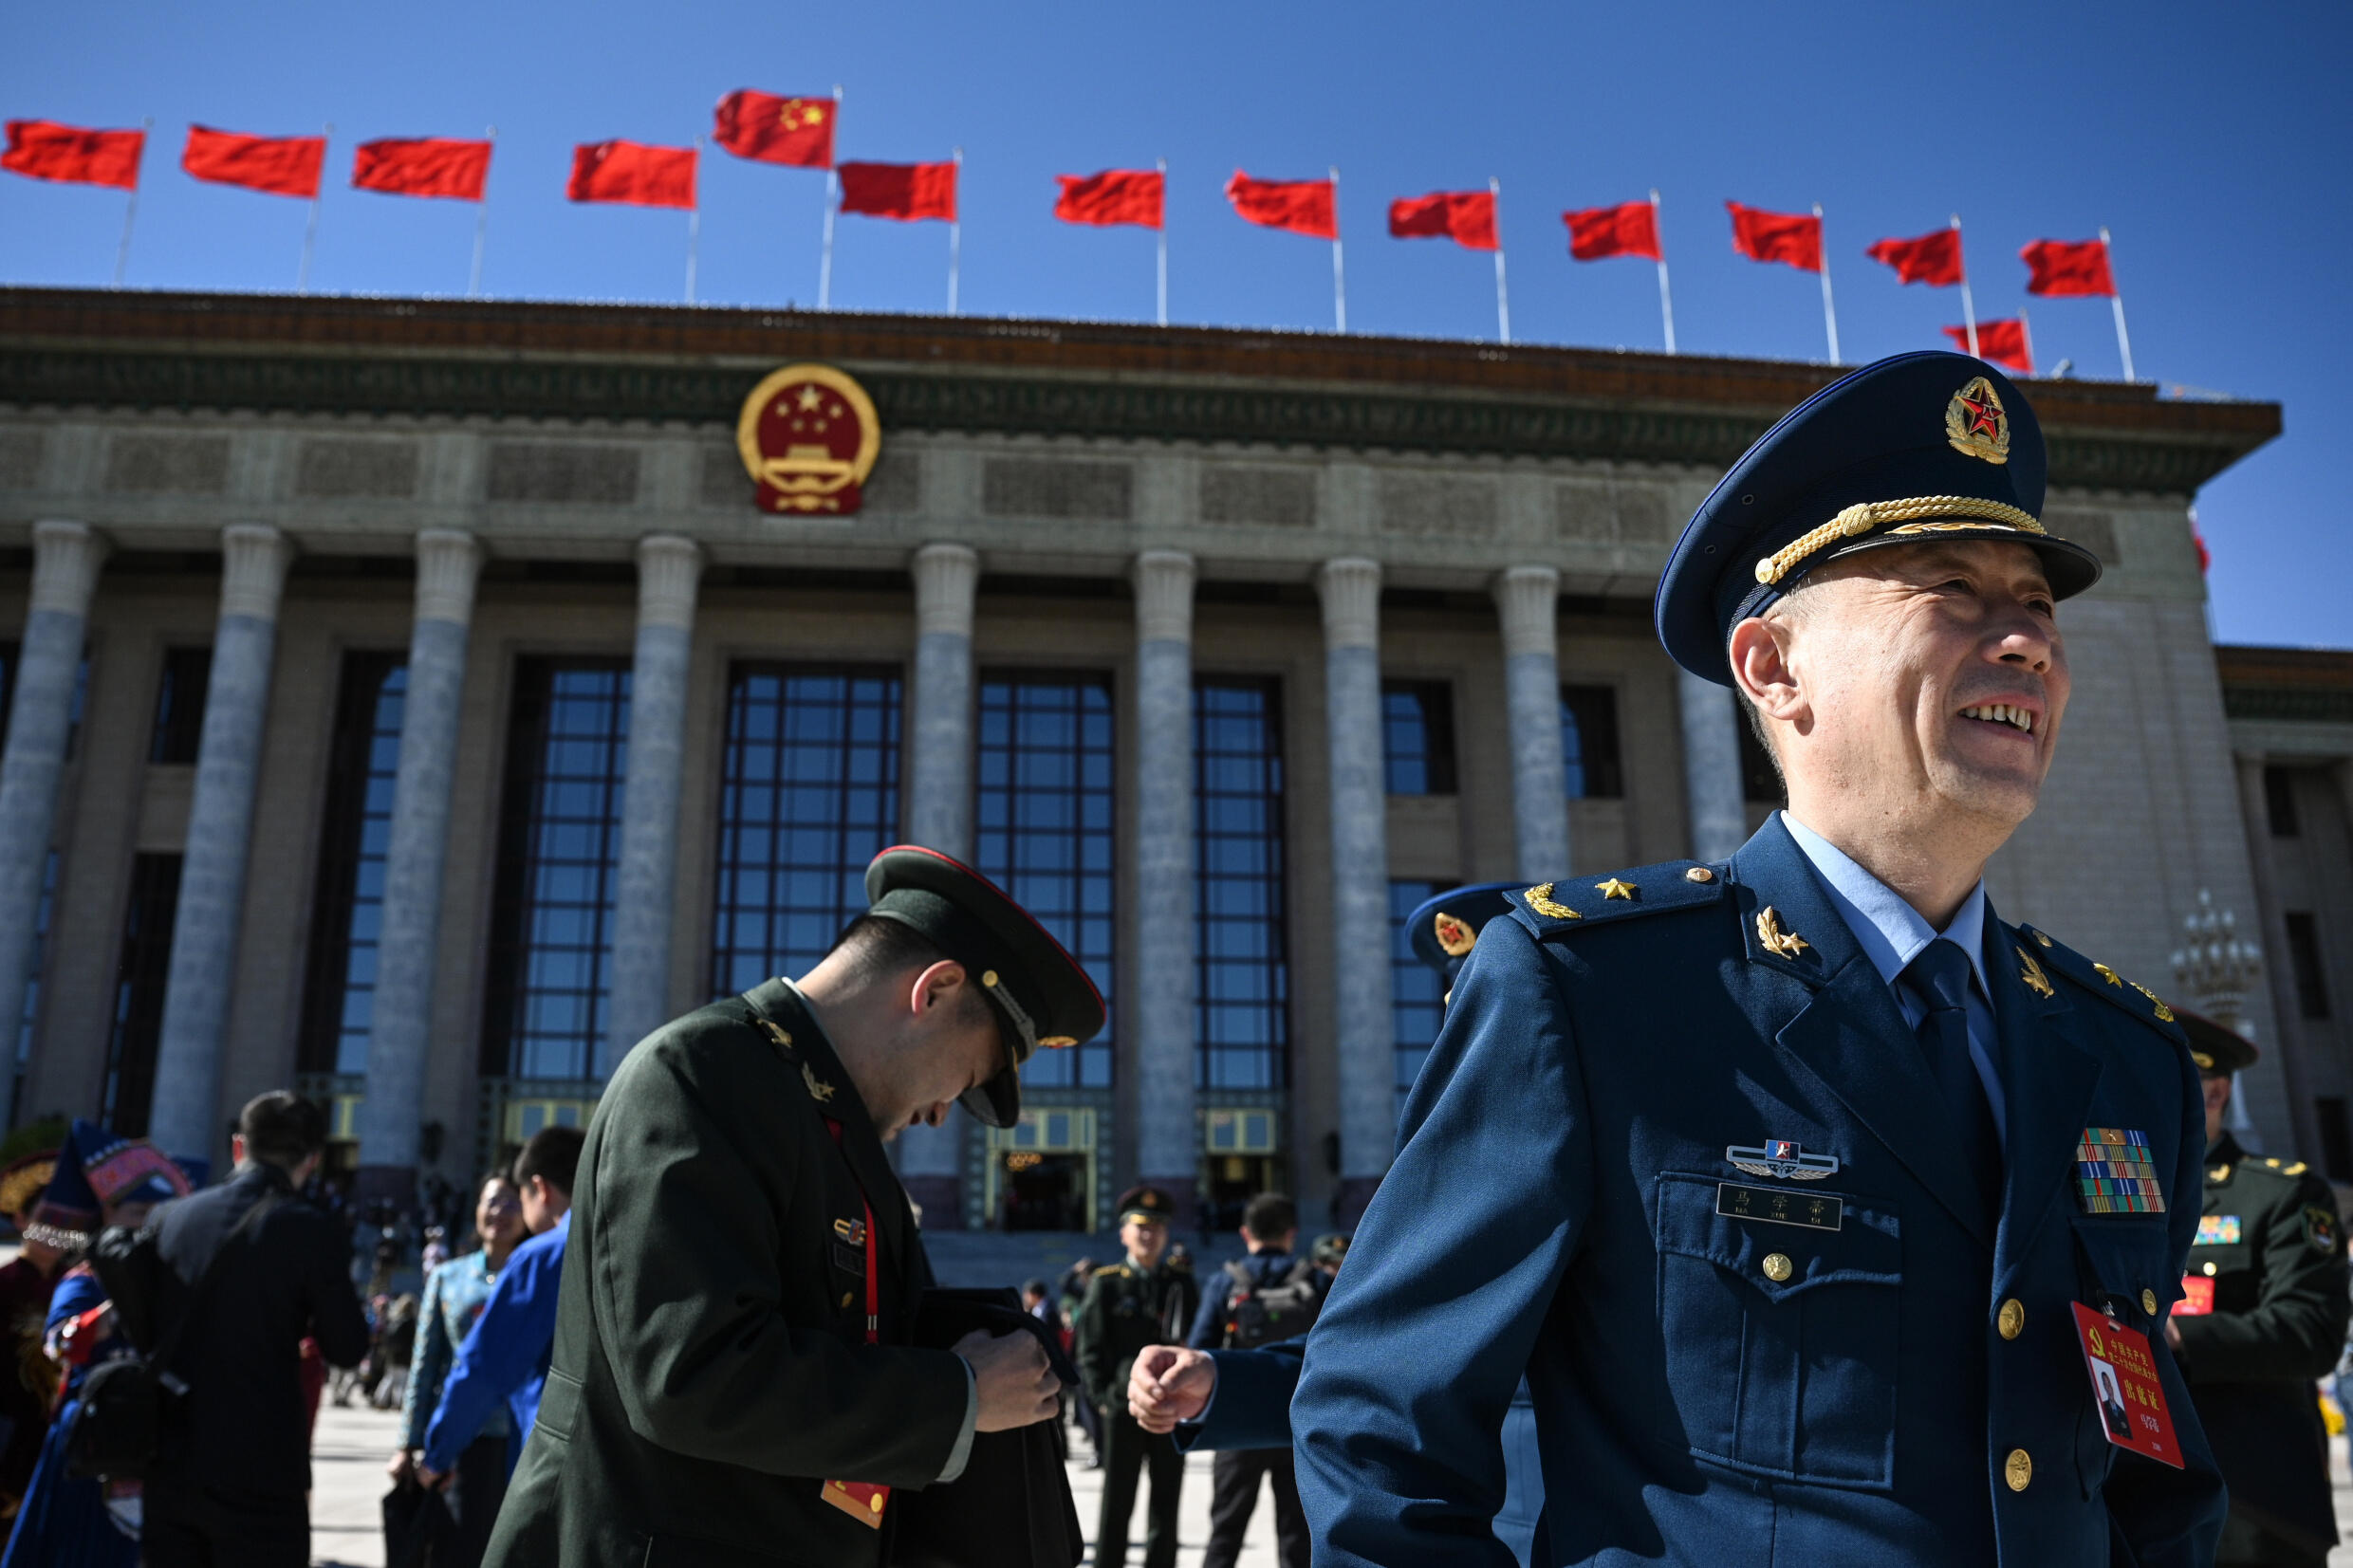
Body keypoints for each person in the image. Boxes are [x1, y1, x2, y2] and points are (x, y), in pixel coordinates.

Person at [1290, 351, 2226, 1566]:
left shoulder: (2123, 1058)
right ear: (1773, 667)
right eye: (1951, 589)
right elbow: (1381, 1437)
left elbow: (2150, 1473)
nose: (2025, 642)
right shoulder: (1592, 996)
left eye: (2036, 604)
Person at [484, 845, 1093, 1567]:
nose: (941, 1114)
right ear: (934, 990)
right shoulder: (700, 1076)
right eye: (969, 1073)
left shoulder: (822, 1120)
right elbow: (693, 1375)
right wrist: (957, 1394)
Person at [100, 1094, 364, 1568]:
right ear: (313, 1160)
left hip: (172, 1459)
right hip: (262, 1467)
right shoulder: (311, 1229)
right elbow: (347, 1348)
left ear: (239, 1147)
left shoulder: (170, 1217)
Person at [2170, 1011, 2347, 1567]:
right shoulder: (2120, 1193)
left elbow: (2311, 1332)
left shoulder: (2280, 1193)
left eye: (2170, 1077)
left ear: (2216, 1090)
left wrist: (2179, 1336)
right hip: (2143, 1493)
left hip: (2256, 1498)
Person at [3, 1122, 198, 1568]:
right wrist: (117, 1306)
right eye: (136, 1213)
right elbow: (62, 1343)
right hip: (89, 1440)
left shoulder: (178, 1286)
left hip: (155, 1446)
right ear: (107, 1215)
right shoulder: (84, 1282)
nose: (147, 1225)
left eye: (158, 1215)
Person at [420, 1127, 582, 1488]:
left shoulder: (542, 1257)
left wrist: (437, 1454)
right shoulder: (638, 1247)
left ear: (539, 1189)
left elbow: (484, 1367)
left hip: (553, 1466)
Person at [393, 1174, 526, 1566]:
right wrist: (408, 1442)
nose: (499, 1212)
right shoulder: (448, 1277)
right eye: (491, 1202)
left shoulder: (540, 1274)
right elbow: (425, 1364)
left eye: (511, 1203)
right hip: (460, 1440)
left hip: (519, 1441)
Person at [1184, 1191, 1319, 1568]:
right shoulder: (1316, 1280)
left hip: (1236, 1423)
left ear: (1245, 1233)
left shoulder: (1225, 1282)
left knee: (1226, 1531)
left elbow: (1200, 1350)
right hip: (1296, 1426)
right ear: (1292, 1233)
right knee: (1296, 1535)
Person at [1075, 1184, 1198, 1568]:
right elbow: (1090, 1347)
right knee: (1118, 1498)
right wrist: (1102, 1399)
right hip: (1123, 1406)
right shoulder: (1108, 1283)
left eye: (1158, 1228)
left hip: (1172, 1408)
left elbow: (1197, 1338)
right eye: (1141, 1227)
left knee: (1167, 1498)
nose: (1150, 1236)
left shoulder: (1180, 1282)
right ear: (1124, 1233)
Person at [0, 1152, 60, 1520]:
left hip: (55, 1431)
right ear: (21, 1220)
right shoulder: (5, 1283)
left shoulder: (81, 1285)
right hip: (5, 1425)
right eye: (44, 1220)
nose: (54, 1232)